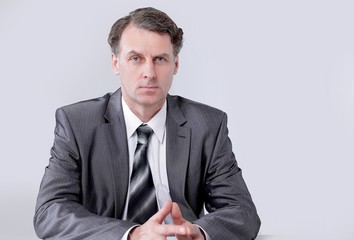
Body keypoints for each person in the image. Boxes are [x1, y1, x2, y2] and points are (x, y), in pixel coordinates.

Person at [34, 7, 261, 240]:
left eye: (160, 59)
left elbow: (242, 212)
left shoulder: (207, 125)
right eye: (136, 58)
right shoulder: (76, 123)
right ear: (115, 63)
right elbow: (50, 212)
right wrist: (133, 235)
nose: (149, 73)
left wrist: (199, 232)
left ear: (175, 65)